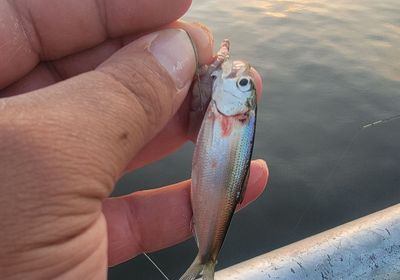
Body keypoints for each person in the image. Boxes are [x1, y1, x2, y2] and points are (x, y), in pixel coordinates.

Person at [0, 1, 268, 279]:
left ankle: (206, 260)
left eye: (241, 84)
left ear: (241, 111)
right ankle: (206, 261)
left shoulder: (230, 120)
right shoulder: (225, 114)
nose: (236, 78)